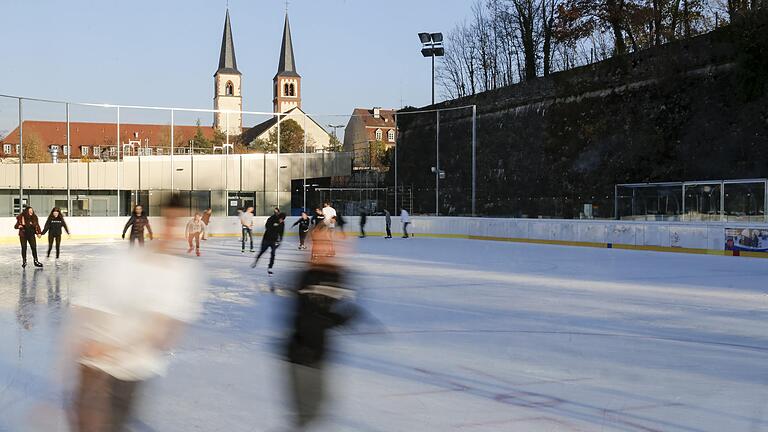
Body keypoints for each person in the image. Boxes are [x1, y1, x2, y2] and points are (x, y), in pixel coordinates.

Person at [68, 194, 204, 432]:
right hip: (94, 368)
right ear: (161, 220)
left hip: (129, 371)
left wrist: (111, 348)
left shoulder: (183, 275)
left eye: (177, 222)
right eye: (168, 221)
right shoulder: (126, 260)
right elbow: (87, 307)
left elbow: (163, 333)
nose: (172, 229)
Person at [283, 232, 358, 429]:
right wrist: (340, 317)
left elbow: (337, 302)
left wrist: (345, 313)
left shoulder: (332, 274)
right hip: (302, 355)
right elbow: (308, 319)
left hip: (318, 354)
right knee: (307, 415)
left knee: (315, 410)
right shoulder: (307, 278)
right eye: (319, 244)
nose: (324, 248)